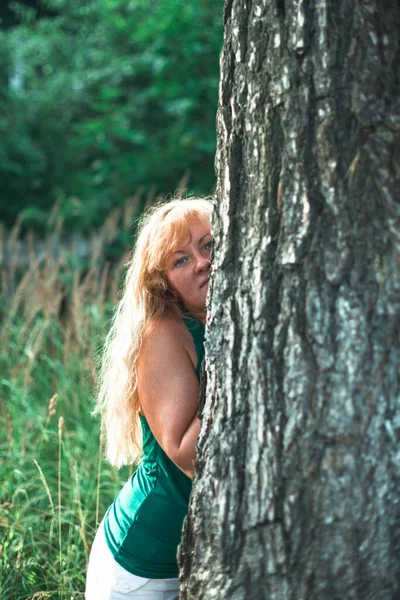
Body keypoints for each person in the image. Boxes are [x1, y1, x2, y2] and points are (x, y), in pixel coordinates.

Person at [85, 197, 213, 600]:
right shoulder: (164, 333)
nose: (202, 262)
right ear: (164, 284)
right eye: (181, 260)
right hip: (140, 570)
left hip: (199, 559)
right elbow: (187, 452)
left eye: (208, 245)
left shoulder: (227, 317)